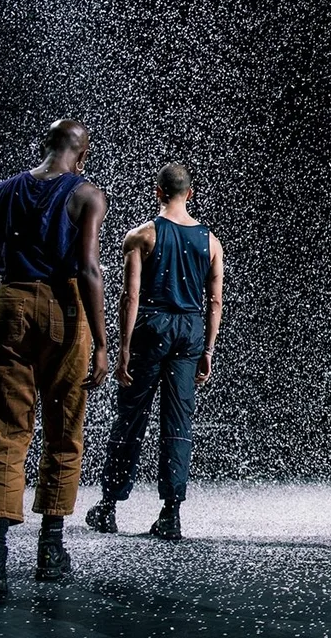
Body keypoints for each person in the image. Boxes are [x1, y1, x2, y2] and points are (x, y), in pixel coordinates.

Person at [0, 119, 109, 603]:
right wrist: (102, 342)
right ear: (83, 153)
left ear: (45, 146)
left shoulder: (3, 192)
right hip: (63, 306)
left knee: (5, 430)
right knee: (64, 425)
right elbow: (89, 268)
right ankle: (50, 549)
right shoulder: (87, 194)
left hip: (9, 302)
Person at [85, 163, 224, 540]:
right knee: (178, 423)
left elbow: (130, 296)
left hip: (151, 328)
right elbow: (214, 302)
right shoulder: (210, 242)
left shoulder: (141, 236)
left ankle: (108, 506)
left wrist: (122, 349)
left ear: (158, 191)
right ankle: (171, 514)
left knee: (131, 417)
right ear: (190, 194)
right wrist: (208, 349)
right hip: (190, 331)